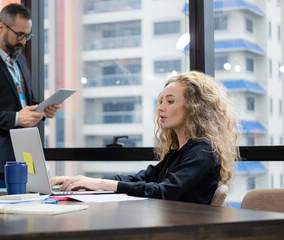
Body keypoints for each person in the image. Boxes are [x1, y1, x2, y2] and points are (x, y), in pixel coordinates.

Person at [50, 71, 239, 204]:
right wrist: (83, 181)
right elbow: (139, 178)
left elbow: (164, 192)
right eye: (161, 101)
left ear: (195, 107)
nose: (160, 108)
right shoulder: (178, 153)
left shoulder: (203, 151)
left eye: (170, 101)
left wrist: (99, 184)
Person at [0, 3, 59, 189]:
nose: (24, 41)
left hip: (27, 157)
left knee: (28, 216)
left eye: (27, 36)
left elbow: (25, 102)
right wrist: (16, 118)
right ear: (1, 27)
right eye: (20, 35)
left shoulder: (21, 61)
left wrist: (42, 109)